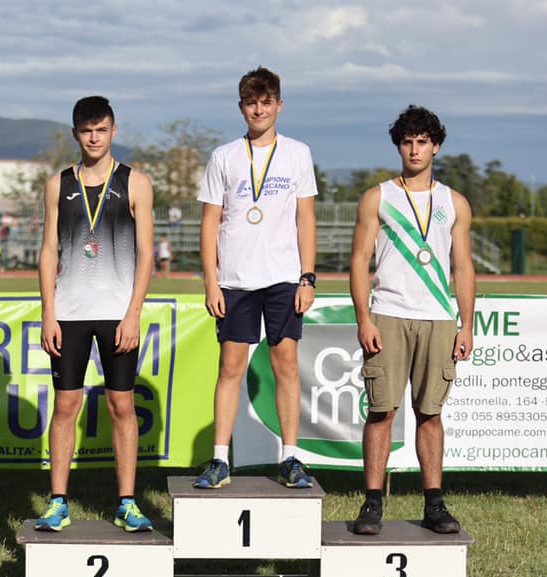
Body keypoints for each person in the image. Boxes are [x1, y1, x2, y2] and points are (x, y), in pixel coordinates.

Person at [348, 105, 476, 535]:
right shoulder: (378, 197)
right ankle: (372, 503)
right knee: (381, 411)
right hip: (388, 314)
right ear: (398, 146)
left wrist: (467, 324)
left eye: (423, 142)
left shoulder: (454, 202)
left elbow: (463, 266)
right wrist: (364, 319)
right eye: (407, 142)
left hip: (438, 317)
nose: (415, 150)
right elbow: (359, 260)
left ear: (436, 146)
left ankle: (434, 504)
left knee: (430, 414)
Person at [193, 66, 318, 490]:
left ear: (279, 105)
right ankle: (219, 459)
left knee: (286, 366)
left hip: (284, 277)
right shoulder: (224, 156)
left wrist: (307, 277)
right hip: (235, 279)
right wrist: (211, 281)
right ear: (241, 107)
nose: (259, 110)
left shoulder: (297, 153)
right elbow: (209, 223)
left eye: (266, 102)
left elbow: (305, 218)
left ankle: (290, 458)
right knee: (230, 367)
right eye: (251, 103)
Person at [35, 96, 155, 533]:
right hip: (69, 313)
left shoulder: (136, 182)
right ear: (75, 133)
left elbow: (146, 255)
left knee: (122, 404)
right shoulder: (58, 184)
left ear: (113, 131)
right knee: (66, 404)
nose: (94, 137)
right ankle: (58, 502)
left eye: (101, 129)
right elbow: (49, 251)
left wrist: (133, 314)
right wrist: (48, 313)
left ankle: (127, 502)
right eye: (86, 130)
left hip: (117, 314)